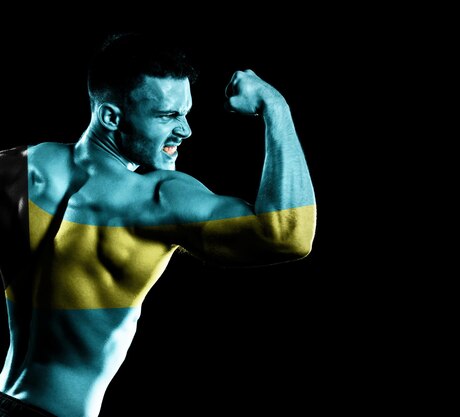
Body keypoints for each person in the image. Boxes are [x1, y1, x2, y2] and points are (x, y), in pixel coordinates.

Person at [0, 32, 316, 417]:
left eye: (185, 114)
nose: (185, 131)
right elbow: (288, 234)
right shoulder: (157, 198)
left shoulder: (22, 165)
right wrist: (275, 107)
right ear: (111, 117)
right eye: (167, 116)